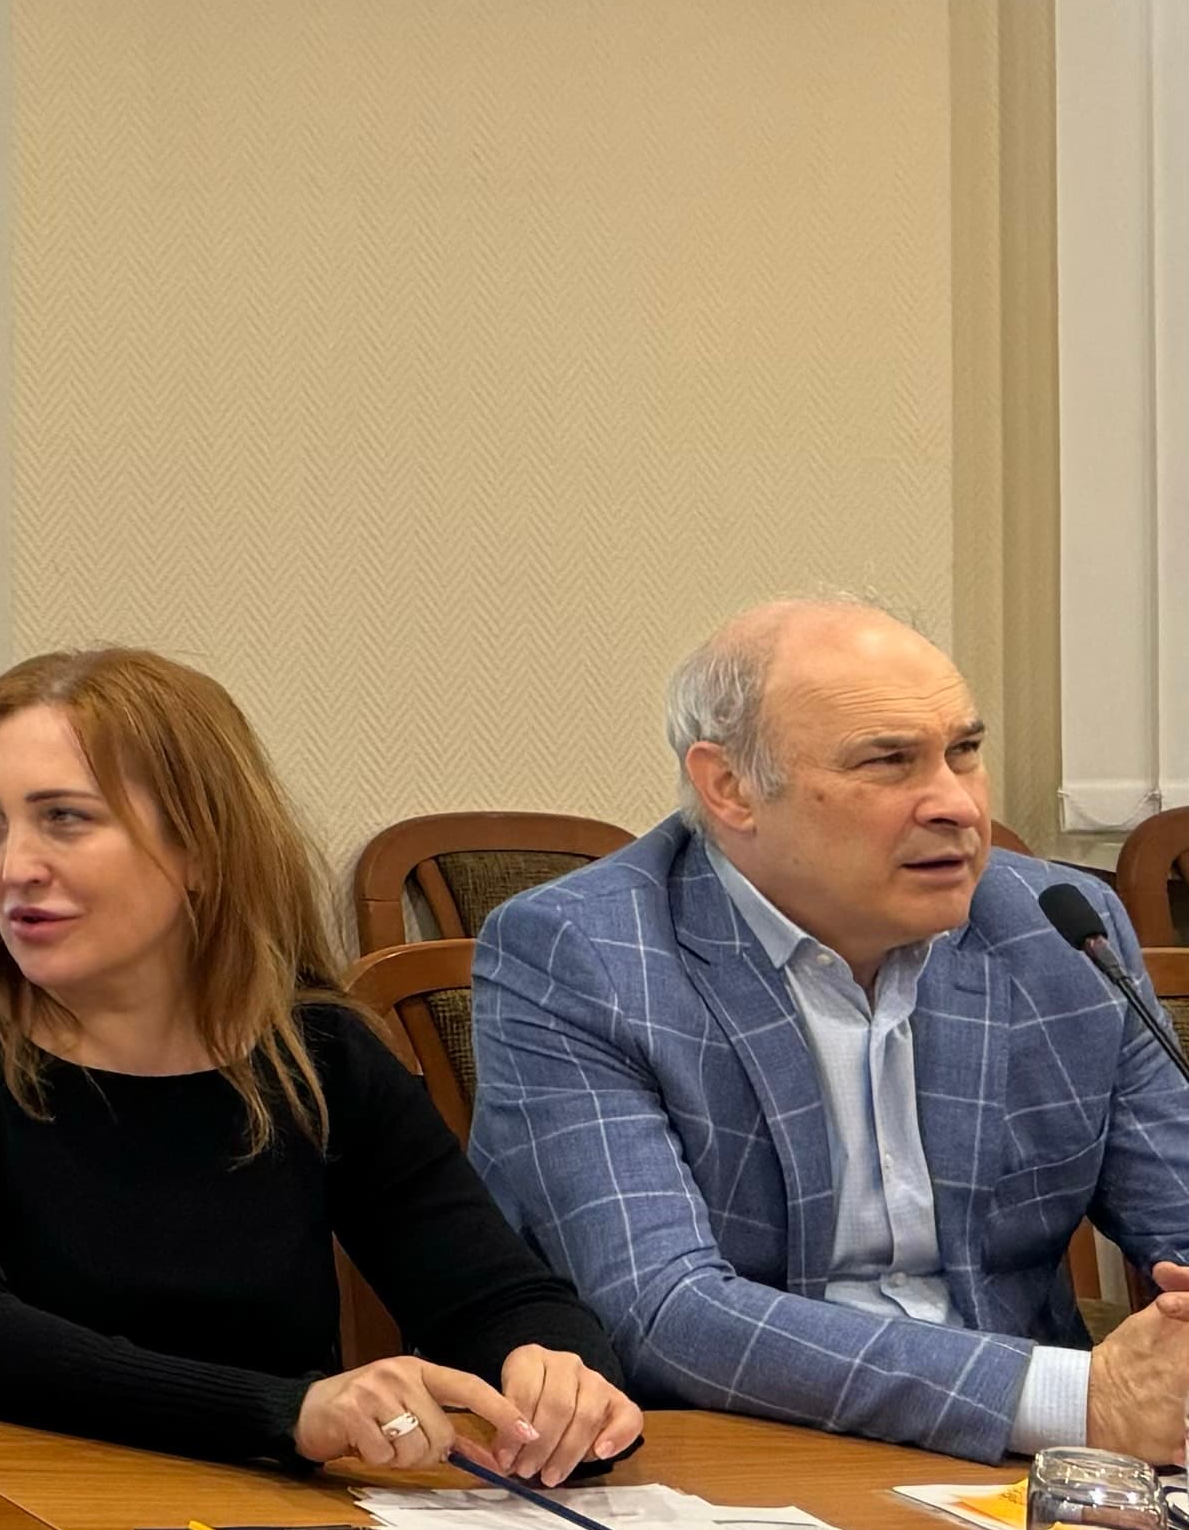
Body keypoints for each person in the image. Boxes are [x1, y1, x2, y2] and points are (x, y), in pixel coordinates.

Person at [0, 646, 639, 1477]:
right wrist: (288, 1413)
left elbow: (498, 1295)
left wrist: (555, 1374)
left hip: (236, 1510)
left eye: (64, 818)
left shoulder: (318, 1052)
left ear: (202, 847)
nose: (10, 867)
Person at [472, 596, 1189, 1462]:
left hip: (1035, 1470)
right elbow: (662, 1309)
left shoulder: (1055, 927)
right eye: (889, 762)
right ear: (731, 788)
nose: (957, 804)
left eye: (964, 752)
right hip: (748, 1458)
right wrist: (1072, 1398)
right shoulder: (584, 952)